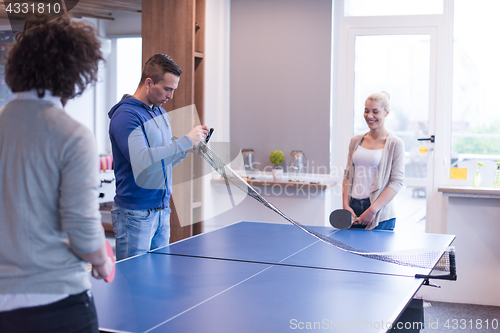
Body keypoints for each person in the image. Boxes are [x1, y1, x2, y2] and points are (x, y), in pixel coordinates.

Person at [0, 15, 114, 332]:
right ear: (75, 71)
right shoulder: (71, 134)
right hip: (55, 302)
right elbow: (81, 226)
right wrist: (101, 260)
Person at [108, 54, 208, 261]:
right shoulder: (126, 115)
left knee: (158, 282)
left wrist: (188, 149)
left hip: (161, 211)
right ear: (148, 82)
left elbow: (162, 163)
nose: (170, 96)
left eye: (173, 89)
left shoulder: (159, 113)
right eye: (167, 89)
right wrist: (186, 141)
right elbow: (142, 161)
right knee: (134, 284)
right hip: (135, 214)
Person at [342, 91, 405, 230]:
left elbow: (397, 182)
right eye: (366, 111)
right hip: (353, 210)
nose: (369, 116)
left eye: (375, 112)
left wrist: (372, 210)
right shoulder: (355, 141)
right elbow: (347, 175)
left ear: (386, 112)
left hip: (380, 213)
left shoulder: (395, 143)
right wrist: (346, 206)